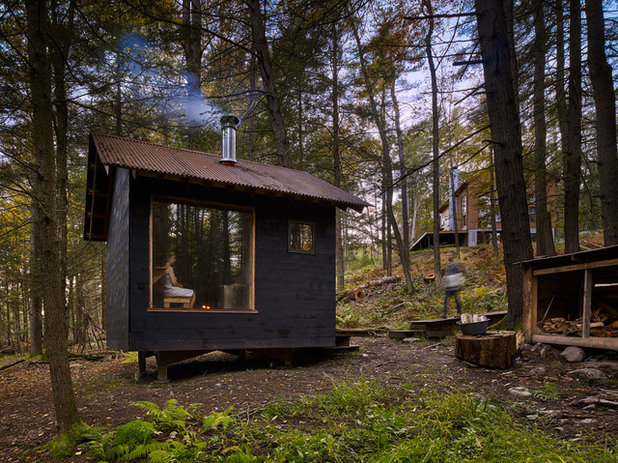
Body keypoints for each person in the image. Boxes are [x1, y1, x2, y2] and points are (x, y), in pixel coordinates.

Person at [441, 252, 465, 318]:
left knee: (457, 299)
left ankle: (459, 312)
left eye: (450, 255)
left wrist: (461, 282)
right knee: (446, 299)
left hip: (456, 285)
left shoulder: (456, 264)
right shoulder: (448, 266)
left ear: (453, 256)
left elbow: (462, 272)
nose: (449, 256)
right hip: (449, 285)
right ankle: (444, 313)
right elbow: (447, 275)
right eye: (448, 255)